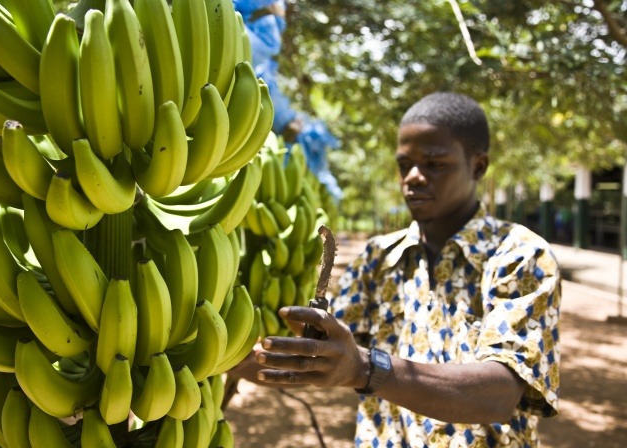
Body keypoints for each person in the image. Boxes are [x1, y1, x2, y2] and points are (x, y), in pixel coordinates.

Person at [231, 92, 562, 447]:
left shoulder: (518, 256)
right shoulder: (379, 259)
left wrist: (366, 369)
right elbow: (321, 360)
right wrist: (220, 356)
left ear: (478, 166)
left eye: (435, 164)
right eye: (405, 165)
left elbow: (498, 394)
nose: (414, 177)